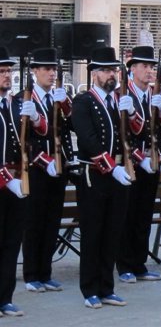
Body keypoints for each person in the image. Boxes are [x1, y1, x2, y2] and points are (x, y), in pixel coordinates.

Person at [72, 47, 133, 309]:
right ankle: (90, 289)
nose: (112, 75)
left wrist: (132, 115)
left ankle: (107, 287)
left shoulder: (118, 101)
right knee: (93, 233)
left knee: (112, 233)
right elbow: (87, 140)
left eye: (115, 70)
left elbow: (129, 136)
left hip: (118, 176)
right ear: (94, 74)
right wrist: (111, 167)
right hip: (95, 175)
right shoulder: (84, 101)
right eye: (107, 71)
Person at [20, 48, 74, 294]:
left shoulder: (57, 98)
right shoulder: (25, 98)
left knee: (52, 220)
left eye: (54, 69)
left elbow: (71, 127)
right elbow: (21, 141)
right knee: (34, 222)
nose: (51, 74)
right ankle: (31, 274)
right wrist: (44, 161)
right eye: (46, 69)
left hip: (59, 167)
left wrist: (66, 103)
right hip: (37, 169)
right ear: (34, 72)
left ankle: (46, 272)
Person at [116, 46, 161, 284]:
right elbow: (122, 135)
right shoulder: (123, 94)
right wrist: (140, 158)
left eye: (152, 67)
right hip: (131, 162)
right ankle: (125, 264)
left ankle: (139, 263)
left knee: (144, 215)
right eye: (145, 66)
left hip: (153, 161)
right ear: (132, 69)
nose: (149, 71)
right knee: (127, 215)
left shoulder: (157, 95)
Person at [0, 47, 27, 317]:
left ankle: (5, 297)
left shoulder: (14, 105)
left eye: (8, 71)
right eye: (2, 72)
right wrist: (7, 179)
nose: (7, 76)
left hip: (16, 182)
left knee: (11, 244)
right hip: (2, 183)